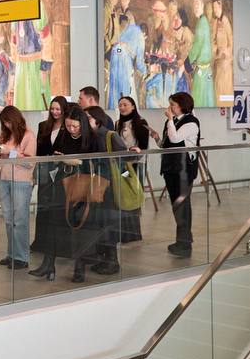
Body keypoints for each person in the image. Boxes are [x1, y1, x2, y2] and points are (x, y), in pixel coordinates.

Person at [52, 105, 103, 283]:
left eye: (75, 126)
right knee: (65, 221)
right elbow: (54, 153)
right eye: (68, 126)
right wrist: (59, 158)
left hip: (84, 184)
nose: (71, 129)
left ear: (82, 124)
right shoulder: (63, 134)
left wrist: (78, 162)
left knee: (81, 224)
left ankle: (80, 265)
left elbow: (98, 162)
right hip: (64, 181)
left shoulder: (93, 138)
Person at [149, 92, 200, 258]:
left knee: (182, 204)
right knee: (176, 204)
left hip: (184, 168)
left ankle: (184, 244)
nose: (169, 107)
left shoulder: (191, 122)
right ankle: (183, 240)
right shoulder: (171, 121)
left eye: (173, 104)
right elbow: (166, 144)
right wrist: (157, 138)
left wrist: (170, 120)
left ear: (182, 105)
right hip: (170, 167)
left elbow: (176, 139)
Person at [84, 105, 127, 277]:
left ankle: (112, 261)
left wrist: (120, 178)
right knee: (101, 223)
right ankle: (105, 259)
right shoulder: (91, 136)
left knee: (108, 223)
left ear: (97, 119)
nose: (86, 121)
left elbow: (125, 159)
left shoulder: (109, 135)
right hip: (98, 185)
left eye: (88, 117)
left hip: (108, 186)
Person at [30, 96, 69, 275]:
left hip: (61, 173)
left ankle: (57, 247)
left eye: (58, 109)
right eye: (52, 108)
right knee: (43, 208)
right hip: (45, 171)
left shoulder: (68, 127)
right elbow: (39, 151)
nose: (55, 112)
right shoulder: (43, 126)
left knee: (57, 210)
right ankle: (42, 243)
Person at [0, 106, 36, 270]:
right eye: (4, 122)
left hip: (21, 181)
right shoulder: (4, 135)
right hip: (3, 178)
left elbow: (29, 162)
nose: (6, 125)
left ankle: (21, 257)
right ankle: (12, 254)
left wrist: (10, 152)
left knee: (20, 220)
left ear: (15, 119)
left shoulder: (28, 135)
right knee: (8, 219)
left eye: (8, 121)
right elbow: (1, 155)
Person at [8, 0, 50, 110]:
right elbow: (14, 42)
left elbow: (47, 38)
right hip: (20, 65)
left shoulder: (36, 5)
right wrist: (12, 73)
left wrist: (44, 67)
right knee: (20, 106)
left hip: (35, 63)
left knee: (36, 103)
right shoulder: (14, 9)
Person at [115, 96, 151, 242]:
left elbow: (143, 146)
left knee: (134, 193)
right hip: (122, 165)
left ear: (133, 106)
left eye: (125, 105)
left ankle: (134, 232)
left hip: (135, 164)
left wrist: (134, 153)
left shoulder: (141, 122)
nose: (122, 107)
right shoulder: (117, 123)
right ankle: (124, 231)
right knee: (124, 193)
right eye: (120, 105)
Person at [106, 13, 146, 111]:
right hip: (125, 70)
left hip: (115, 62)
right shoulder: (139, 37)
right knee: (127, 97)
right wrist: (147, 70)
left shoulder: (122, 37)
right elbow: (140, 64)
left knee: (115, 97)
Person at [187, 0, 215, 107]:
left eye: (197, 4)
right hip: (206, 70)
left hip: (202, 71)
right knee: (207, 100)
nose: (195, 7)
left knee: (197, 101)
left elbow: (197, 46)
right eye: (194, 5)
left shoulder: (201, 23)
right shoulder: (204, 21)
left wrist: (187, 62)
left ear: (202, 5)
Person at [212, 0, 234, 104]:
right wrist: (216, 49)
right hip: (218, 59)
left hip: (225, 61)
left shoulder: (225, 20)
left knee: (224, 85)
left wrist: (227, 52)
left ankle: (225, 103)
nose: (215, 10)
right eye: (214, 7)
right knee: (217, 85)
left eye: (217, 7)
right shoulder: (216, 21)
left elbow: (230, 39)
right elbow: (213, 40)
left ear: (221, 7)